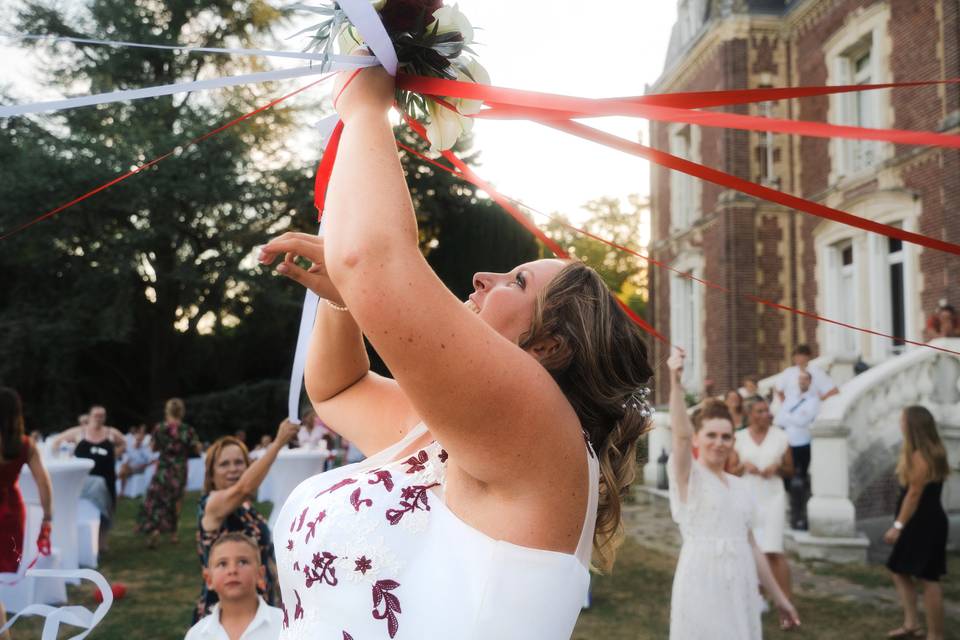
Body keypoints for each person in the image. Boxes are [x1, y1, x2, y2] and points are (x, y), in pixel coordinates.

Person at [256, 57, 654, 639]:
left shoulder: (539, 426)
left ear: (548, 347)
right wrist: (345, 301)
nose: (483, 278)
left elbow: (372, 257)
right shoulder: (448, 435)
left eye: (517, 282)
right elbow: (339, 391)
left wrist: (366, 101)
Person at [667, 351, 799, 638]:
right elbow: (680, 436)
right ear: (698, 438)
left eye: (726, 436)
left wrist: (780, 599)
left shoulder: (739, 486)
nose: (719, 443)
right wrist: (675, 383)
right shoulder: (689, 477)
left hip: (741, 582)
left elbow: (752, 546)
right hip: (702, 579)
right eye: (711, 435)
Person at [195, 421, 297, 622]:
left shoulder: (247, 508)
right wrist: (277, 444)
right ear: (211, 473)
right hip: (228, 608)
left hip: (263, 603)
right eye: (224, 464)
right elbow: (244, 488)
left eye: (239, 462)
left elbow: (264, 551)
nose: (233, 469)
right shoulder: (211, 505)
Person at [884, 406, 950, 640]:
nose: (900, 424)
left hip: (923, 523)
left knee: (928, 578)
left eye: (902, 420)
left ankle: (935, 635)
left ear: (912, 426)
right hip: (921, 521)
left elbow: (914, 494)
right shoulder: (930, 450)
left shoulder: (921, 455)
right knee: (898, 569)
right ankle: (912, 624)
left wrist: (897, 526)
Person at [735, 396, 795, 603]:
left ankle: (785, 602)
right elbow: (730, 472)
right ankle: (757, 598)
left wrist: (777, 467)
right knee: (752, 550)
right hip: (748, 497)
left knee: (773, 549)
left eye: (766, 410)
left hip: (773, 498)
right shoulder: (739, 438)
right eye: (759, 411)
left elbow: (791, 470)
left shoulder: (781, 437)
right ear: (749, 414)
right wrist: (744, 466)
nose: (765, 415)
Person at [50, 405, 125, 552]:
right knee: (86, 511)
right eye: (96, 415)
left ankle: (102, 543)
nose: (98, 418)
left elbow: (123, 443)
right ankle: (82, 542)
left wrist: (115, 454)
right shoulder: (79, 432)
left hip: (107, 477)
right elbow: (56, 442)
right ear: (90, 416)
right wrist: (64, 458)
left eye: (102, 415)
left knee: (107, 508)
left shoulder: (111, 433)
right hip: (85, 482)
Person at [184, 532, 284, 640]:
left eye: (242, 562)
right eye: (222, 564)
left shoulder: (285, 624)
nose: (232, 570)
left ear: (260, 574)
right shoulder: (196, 635)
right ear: (209, 579)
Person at [0, 387, 53, 573]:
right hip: (11, 510)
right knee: (6, 571)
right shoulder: (25, 445)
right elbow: (43, 482)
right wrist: (47, 517)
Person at [137, 399, 201, 547]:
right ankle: (174, 534)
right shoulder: (187, 430)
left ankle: (156, 531)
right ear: (182, 411)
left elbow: (153, 448)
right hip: (179, 468)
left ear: (167, 411)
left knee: (159, 499)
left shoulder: (159, 428)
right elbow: (196, 449)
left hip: (164, 467)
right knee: (177, 500)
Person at [774, 370, 820, 530]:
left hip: (802, 443)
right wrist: (792, 418)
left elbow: (803, 420)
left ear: (810, 381)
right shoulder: (791, 398)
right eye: (800, 379)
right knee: (787, 478)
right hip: (787, 443)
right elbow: (779, 418)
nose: (802, 382)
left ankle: (799, 516)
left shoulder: (813, 401)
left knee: (800, 480)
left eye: (805, 379)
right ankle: (790, 512)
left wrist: (789, 418)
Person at [118, 424, 154, 497]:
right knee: (124, 468)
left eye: (139, 440)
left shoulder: (144, 449)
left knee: (123, 469)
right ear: (134, 438)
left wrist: (144, 466)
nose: (138, 441)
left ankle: (121, 491)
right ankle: (121, 491)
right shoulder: (130, 448)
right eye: (137, 439)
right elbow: (126, 457)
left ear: (142, 441)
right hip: (129, 467)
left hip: (139, 468)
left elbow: (152, 460)